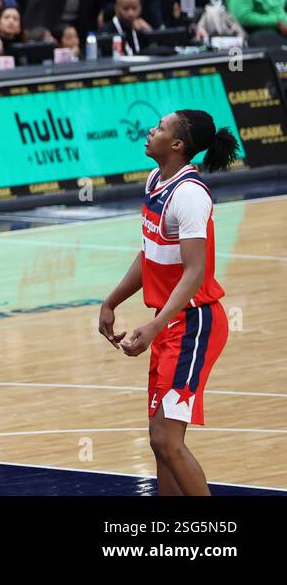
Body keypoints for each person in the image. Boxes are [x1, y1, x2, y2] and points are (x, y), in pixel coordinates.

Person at [98, 110, 240, 496]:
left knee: (167, 440)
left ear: (177, 145)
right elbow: (150, 254)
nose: (150, 131)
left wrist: (155, 326)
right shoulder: (156, 181)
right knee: (159, 442)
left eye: (159, 128)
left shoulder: (190, 195)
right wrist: (111, 301)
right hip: (171, 322)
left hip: (194, 324)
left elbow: (195, 272)